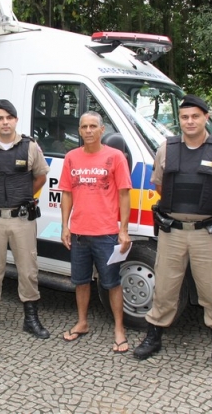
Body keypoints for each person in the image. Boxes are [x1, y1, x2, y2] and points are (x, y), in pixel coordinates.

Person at [133, 94, 212, 375]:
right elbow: (160, 186)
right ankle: (154, 337)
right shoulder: (166, 149)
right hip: (172, 232)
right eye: (184, 117)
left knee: (211, 290)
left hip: (207, 233)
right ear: (179, 120)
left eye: (195, 116)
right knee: (165, 288)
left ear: (206, 117)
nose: (190, 121)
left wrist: (210, 210)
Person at [0, 99, 50, 339]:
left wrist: (20, 197)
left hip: (22, 218)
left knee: (28, 269)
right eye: (0, 118)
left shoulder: (30, 146)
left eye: (9, 118)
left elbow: (40, 177)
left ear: (16, 120)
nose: (5, 122)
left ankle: (31, 319)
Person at [59, 111, 132, 353]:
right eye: (84, 127)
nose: (88, 130)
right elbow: (67, 193)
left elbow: (124, 194)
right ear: (79, 131)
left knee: (112, 283)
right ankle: (82, 322)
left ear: (102, 130)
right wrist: (65, 225)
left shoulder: (116, 157)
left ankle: (119, 330)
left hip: (107, 234)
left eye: (93, 126)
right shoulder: (71, 157)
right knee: (80, 282)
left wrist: (123, 230)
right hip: (79, 233)